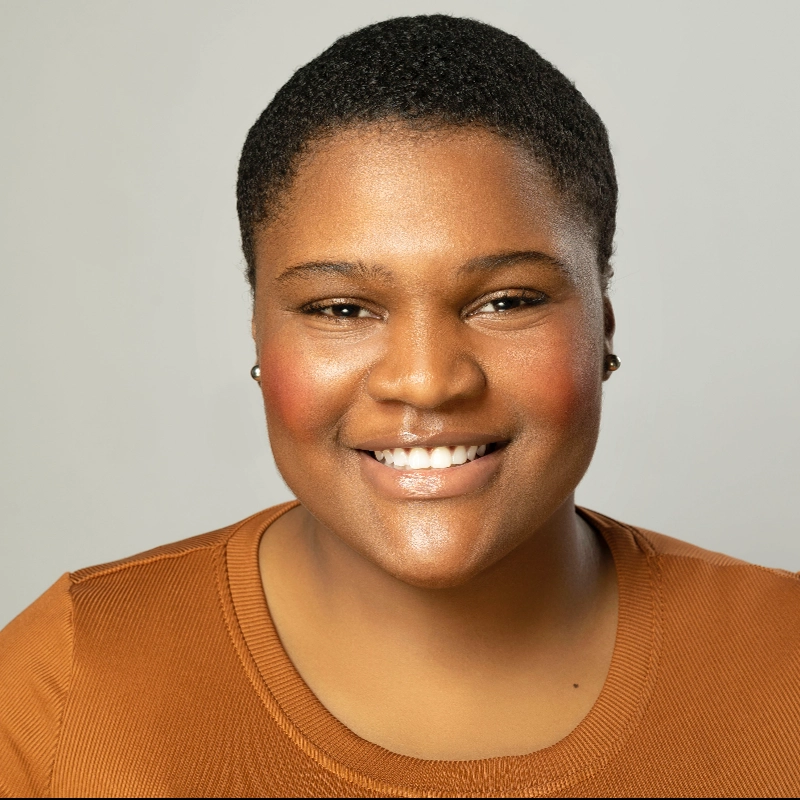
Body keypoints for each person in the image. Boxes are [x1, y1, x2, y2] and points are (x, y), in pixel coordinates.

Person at [1, 14, 798, 797]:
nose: (425, 381)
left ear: (604, 326)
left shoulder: (782, 663)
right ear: (259, 334)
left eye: (507, 300)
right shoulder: (68, 681)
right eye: (340, 309)